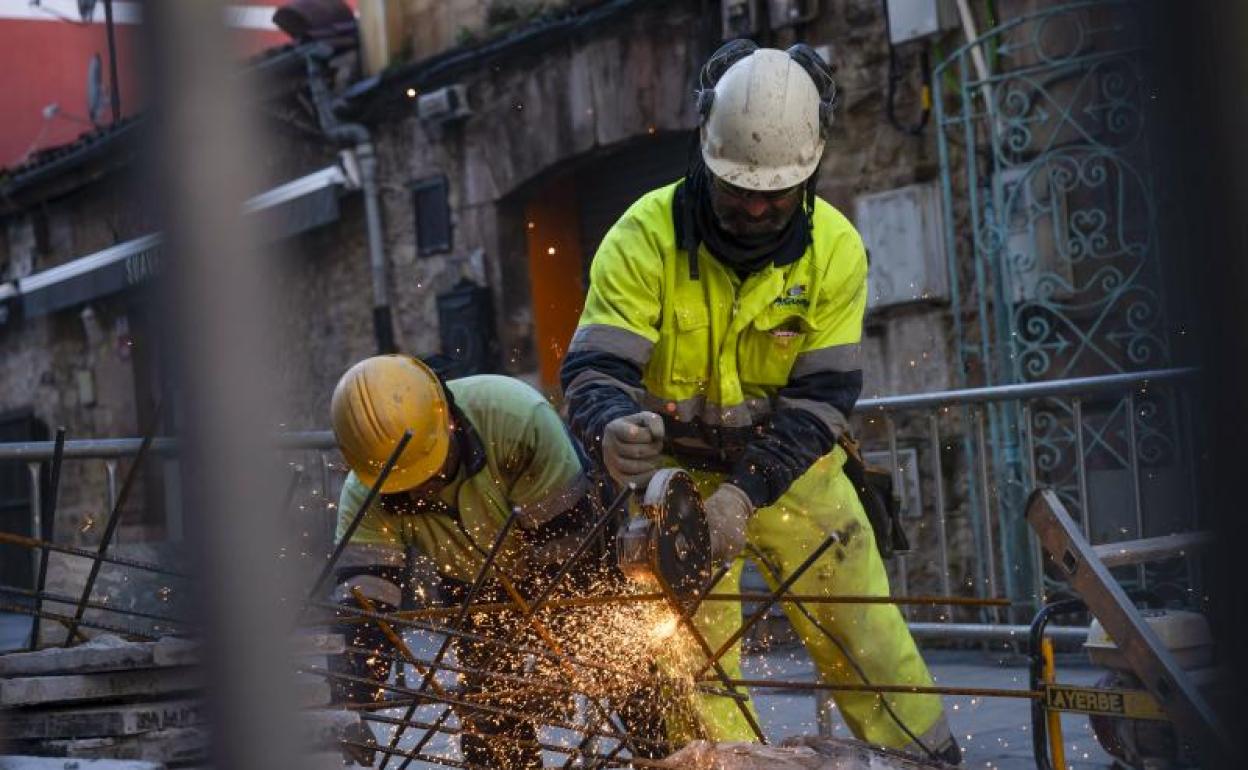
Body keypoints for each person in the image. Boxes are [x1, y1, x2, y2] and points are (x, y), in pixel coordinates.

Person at [559, 41, 960, 763]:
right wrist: (611, 425)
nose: (753, 205)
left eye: (774, 192)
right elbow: (594, 369)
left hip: (795, 474)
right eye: (736, 186)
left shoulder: (835, 251)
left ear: (811, 168)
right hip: (677, 486)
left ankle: (927, 758)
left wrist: (744, 499)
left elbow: (821, 401)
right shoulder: (641, 238)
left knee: (866, 638)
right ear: (704, 154)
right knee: (697, 671)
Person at [328, 354, 603, 769]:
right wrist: (352, 702)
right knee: (489, 718)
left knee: (628, 676)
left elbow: (568, 554)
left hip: (563, 560)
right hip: (474, 587)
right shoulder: (366, 490)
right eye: (407, 484)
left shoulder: (516, 420)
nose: (420, 489)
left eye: (429, 474)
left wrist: (555, 659)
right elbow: (365, 611)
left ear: (449, 420)